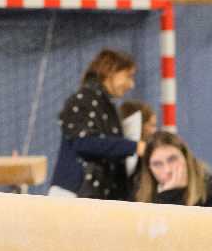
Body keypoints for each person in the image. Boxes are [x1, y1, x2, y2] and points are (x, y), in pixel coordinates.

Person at [48, 49, 144, 201]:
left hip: (92, 196)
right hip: (72, 194)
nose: (131, 84)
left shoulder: (106, 105)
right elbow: (83, 142)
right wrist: (133, 147)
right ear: (110, 71)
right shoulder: (82, 99)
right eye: (128, 76)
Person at [135, 130, 212, 208]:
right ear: (149, 168)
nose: (167, 170)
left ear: (186, 158)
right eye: (157, 164)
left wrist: (172, 194)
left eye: (172, 159)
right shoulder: (139, 192)